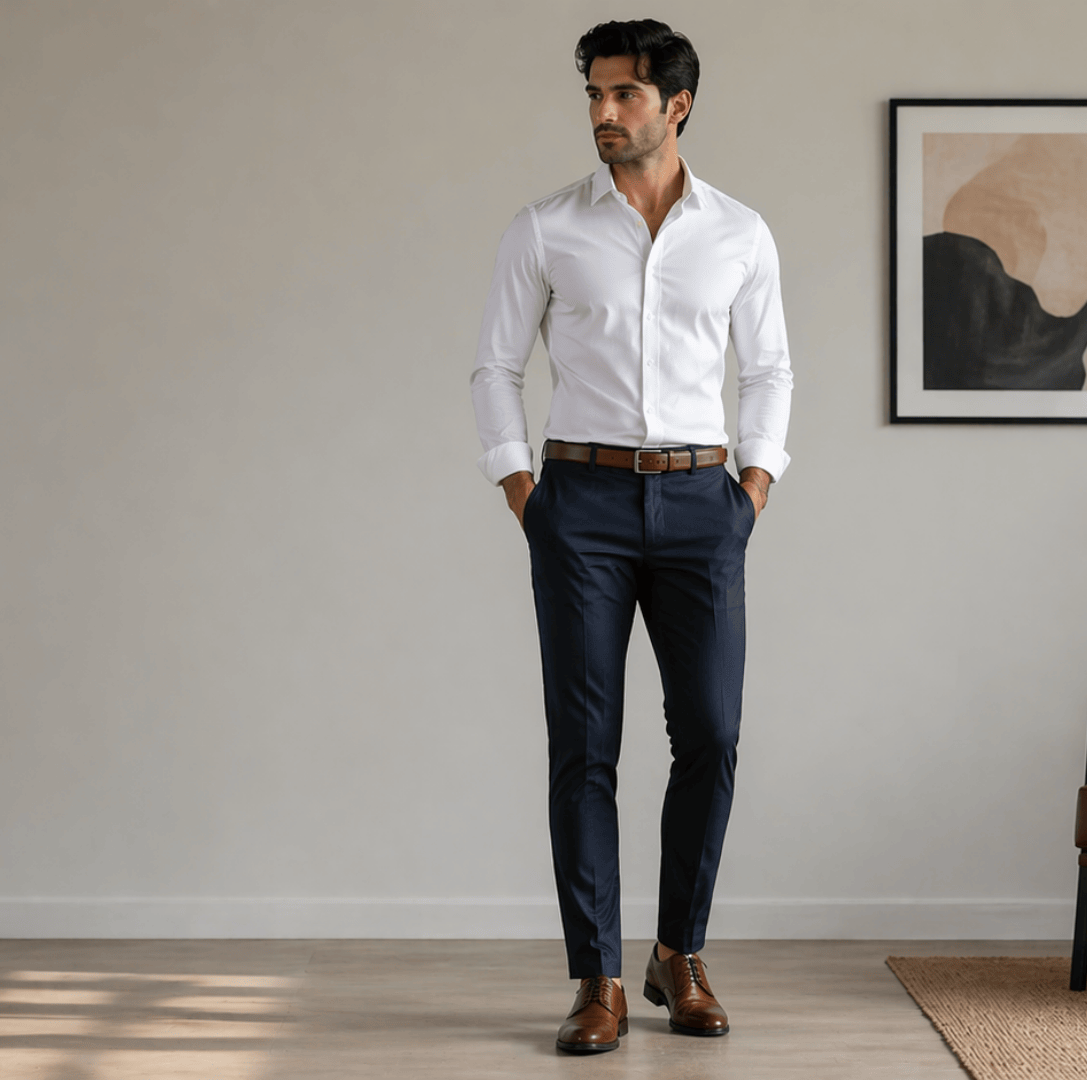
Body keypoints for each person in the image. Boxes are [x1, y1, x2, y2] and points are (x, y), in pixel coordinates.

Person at [469, 17, 793, 1055]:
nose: (604, 114)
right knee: (585, 747)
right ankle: (597, 977)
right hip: (583, 506)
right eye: (595, 96)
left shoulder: (741, 233)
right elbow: (494, 367)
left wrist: (754, 484)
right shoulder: (546, 228)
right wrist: (525, 490)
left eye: (624, 96)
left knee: (710, 735)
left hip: (705, 506)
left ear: (676, 105)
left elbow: (771, 369)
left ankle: (678, 955)